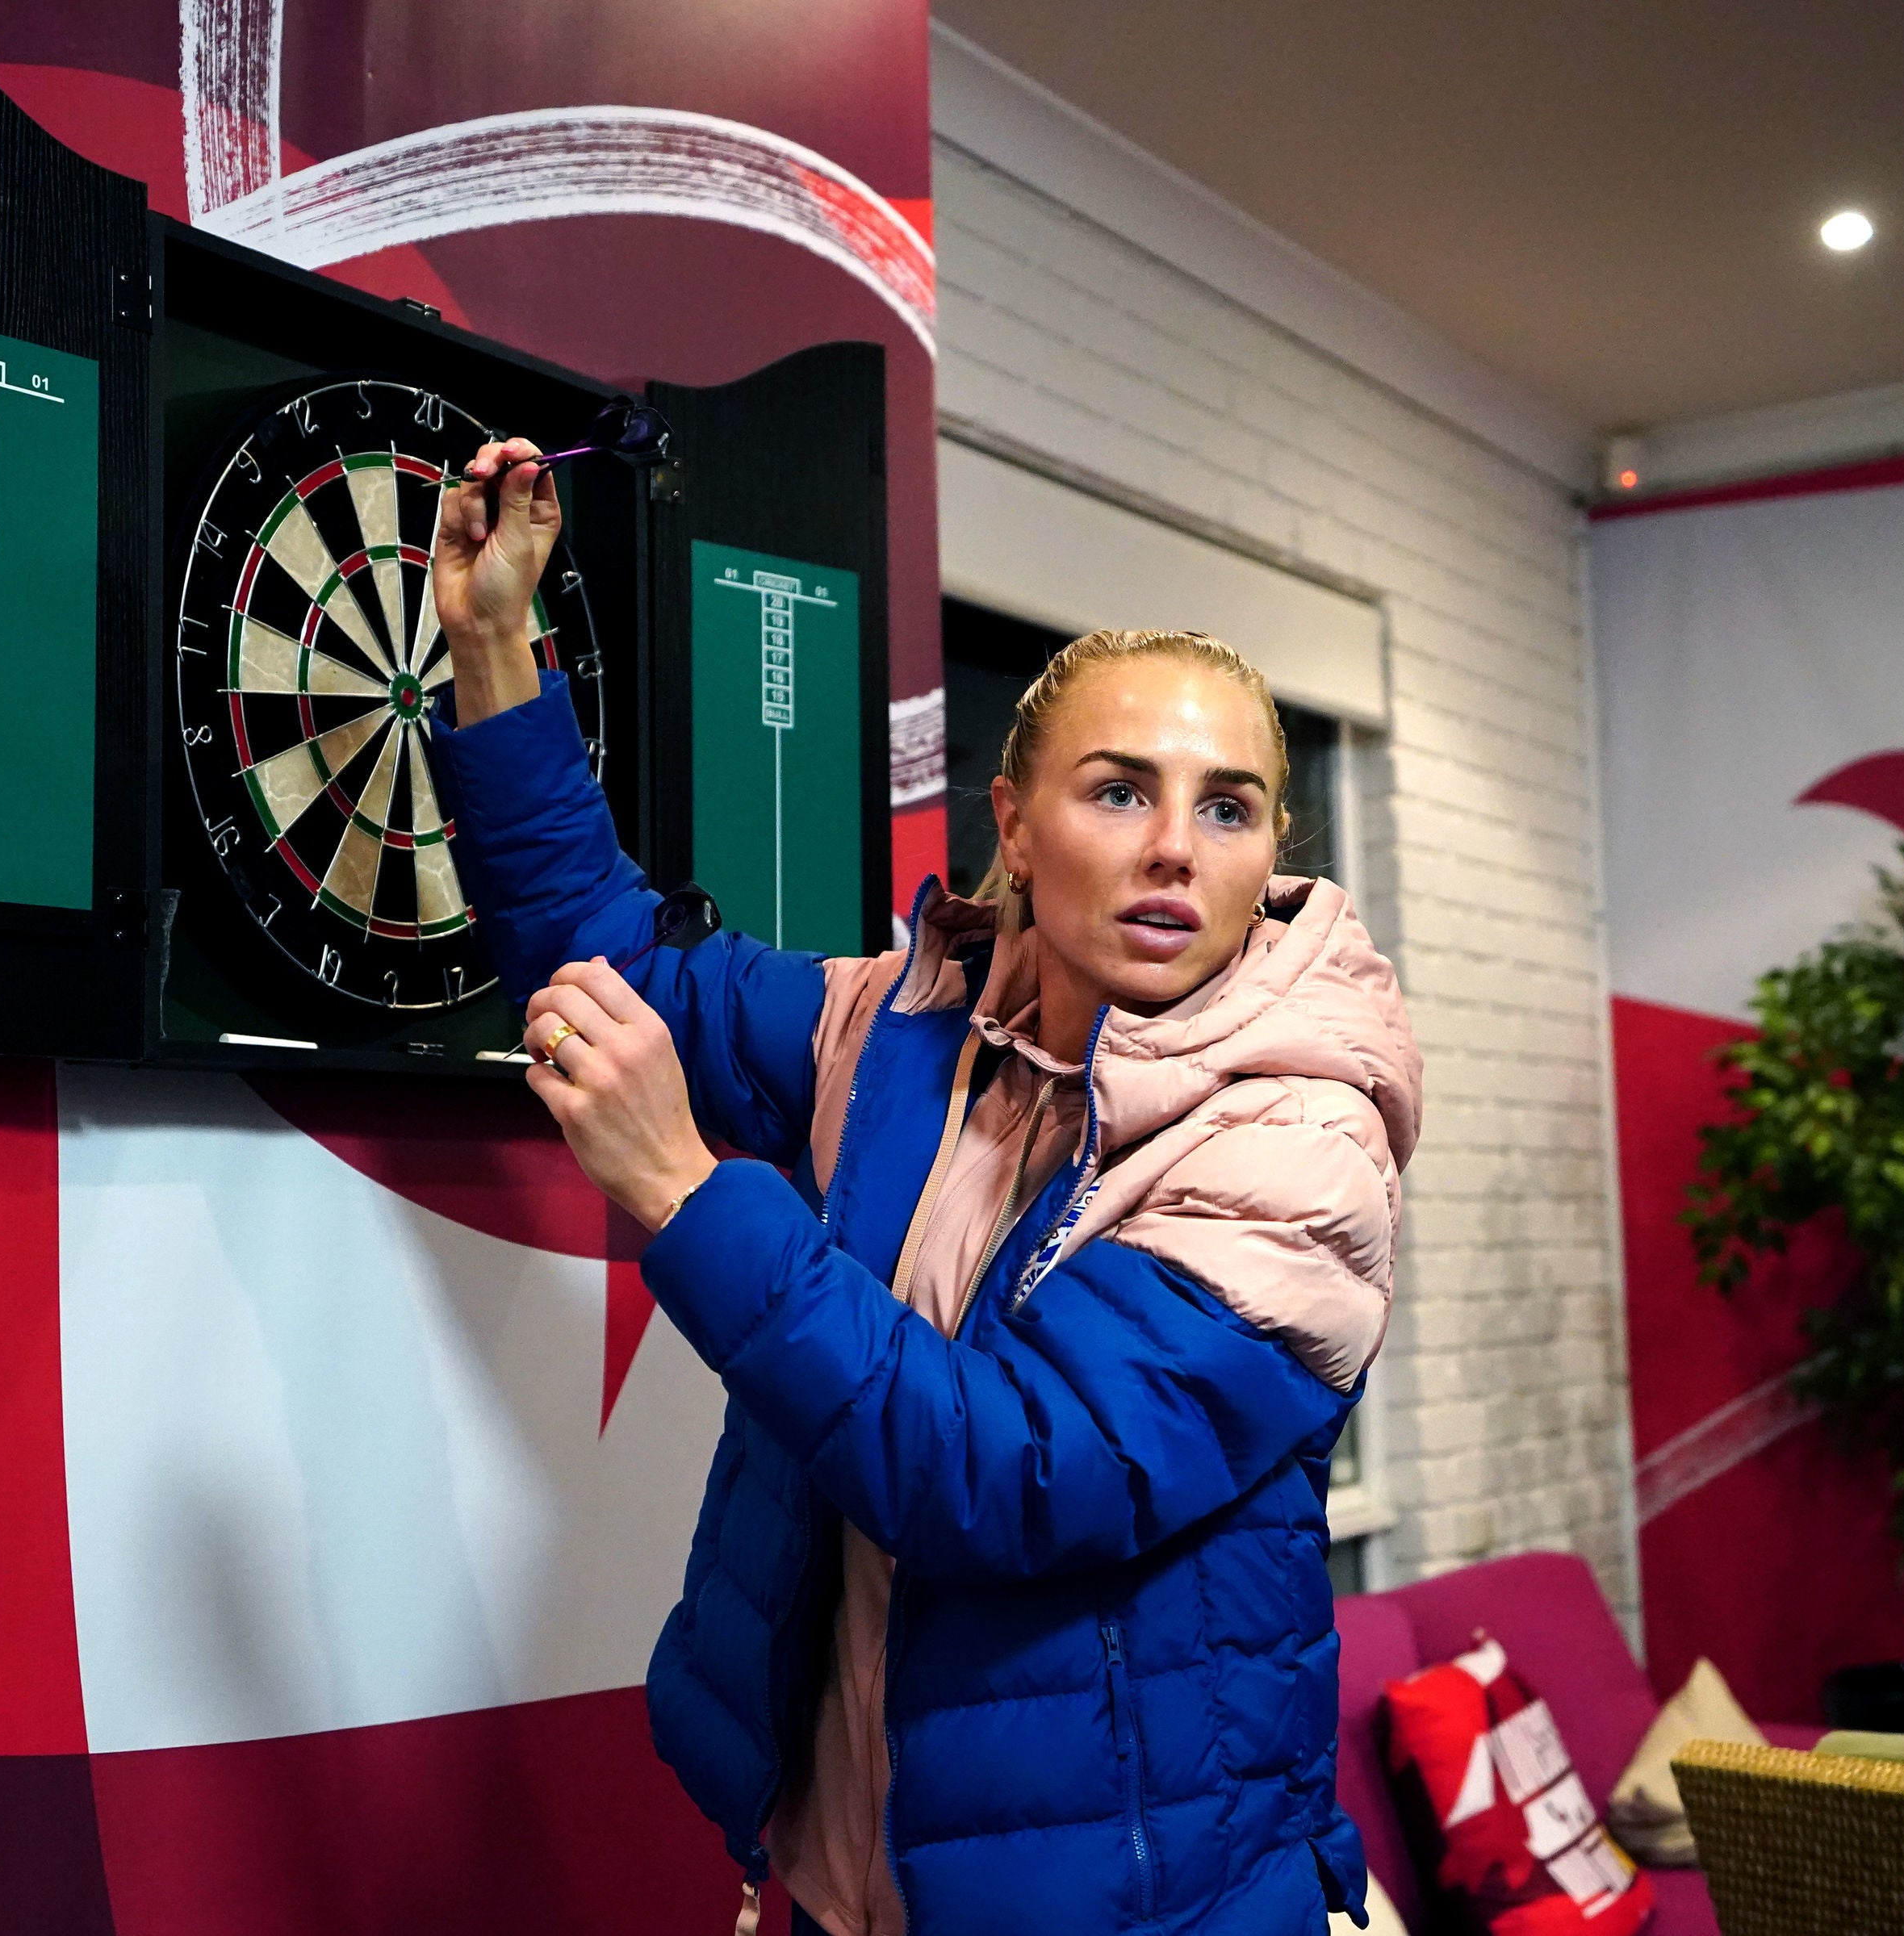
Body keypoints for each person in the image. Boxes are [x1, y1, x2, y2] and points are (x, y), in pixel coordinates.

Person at [428, 439, 1421, 1936]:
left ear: (1274, 848)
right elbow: (608, 968)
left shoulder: (1299, 1149)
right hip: (843, 1882)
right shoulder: (891, 1031)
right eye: (1117, 791)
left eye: (1228, 807)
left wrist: (690, 1194)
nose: (1173, 849)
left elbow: (1006, 1472)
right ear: (1013, 826)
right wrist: (496, 644)